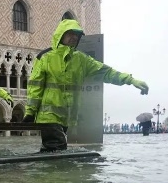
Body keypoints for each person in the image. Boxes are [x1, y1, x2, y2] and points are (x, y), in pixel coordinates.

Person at [23, 19, 149, 151]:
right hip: (47, 116)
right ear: (60, 34)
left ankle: (42, 170)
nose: (74, 37)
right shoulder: (45, 57)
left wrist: (131, 80)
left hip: (66, 118)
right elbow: (35, 86)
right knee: (57, 149)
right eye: (70, 33)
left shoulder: (82, 60)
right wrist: (30, 112)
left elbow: (106, 72)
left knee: (52, 151)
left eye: (76, 35)